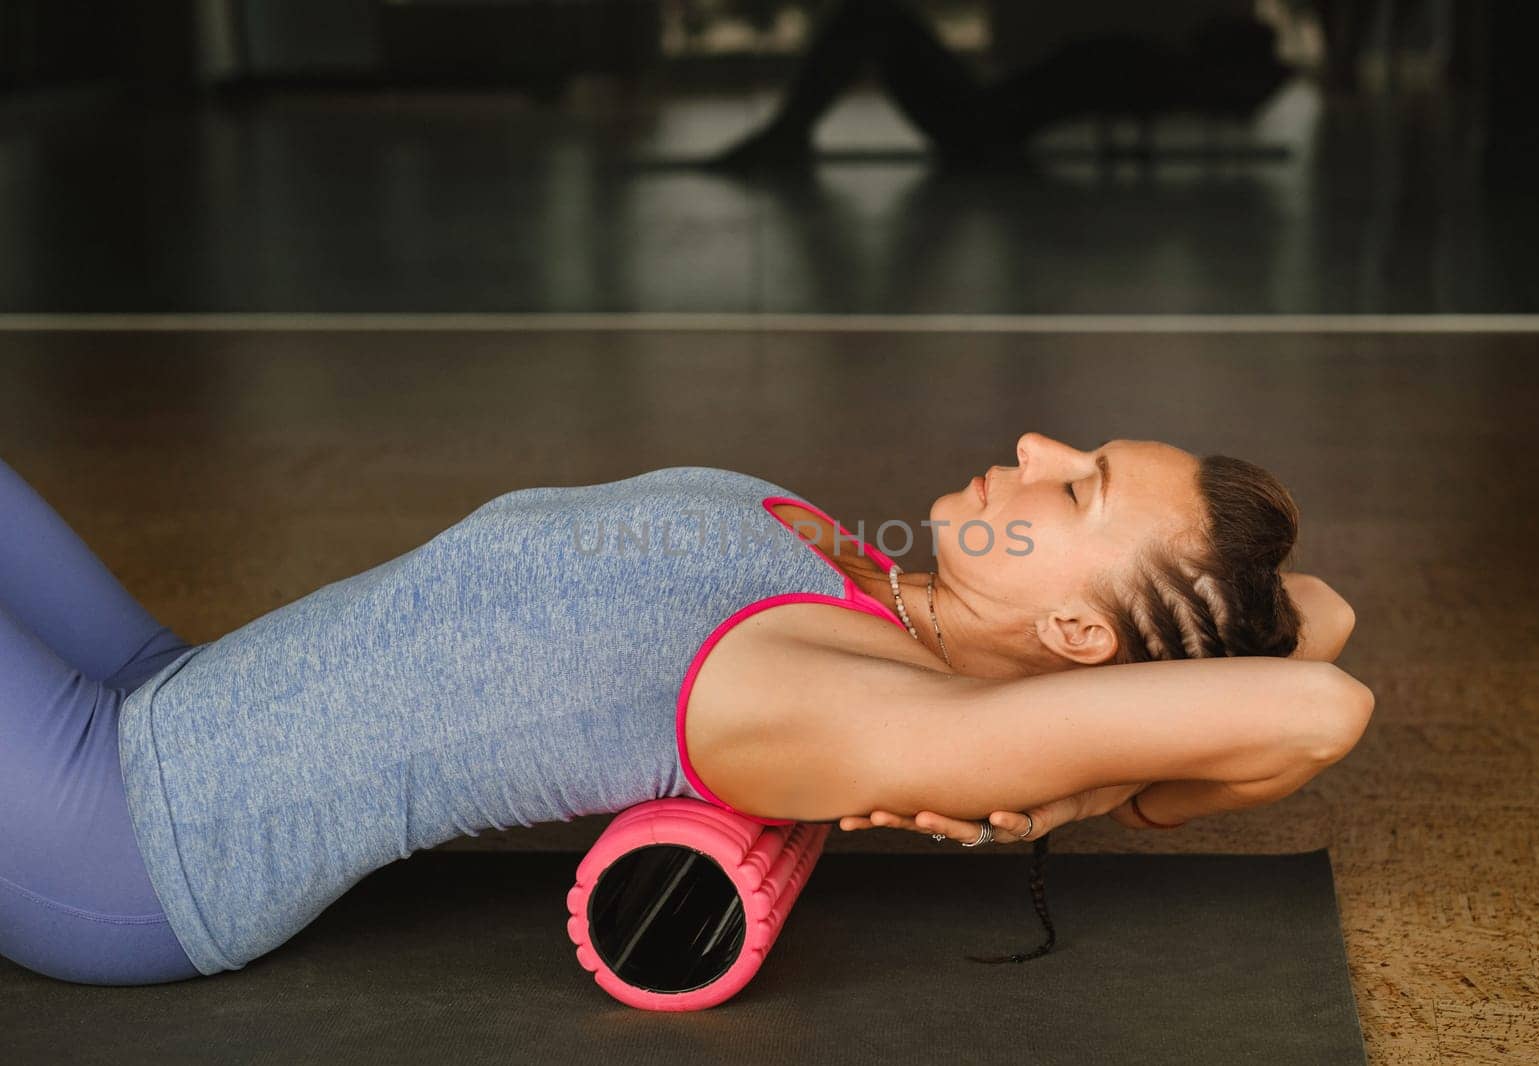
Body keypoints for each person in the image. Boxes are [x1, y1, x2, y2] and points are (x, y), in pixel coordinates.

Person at [0, 433, 1369, 985]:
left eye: (1076, 492)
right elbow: (1317, 613)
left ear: (1079, 629)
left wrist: (1073, 787)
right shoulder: (878, 592)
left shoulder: (858, 709)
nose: (1038, 452)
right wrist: (1089, 781)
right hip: (163, 687)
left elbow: (1319, 699)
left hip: (136, 833)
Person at [708, 1, 1296, 171]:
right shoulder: (1154, 64)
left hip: (980, 122)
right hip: (985, 116)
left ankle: (788, 132)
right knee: (874, 22)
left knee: (875, 22)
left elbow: (1125, 125)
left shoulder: (1158, 68)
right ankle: (789, 131)